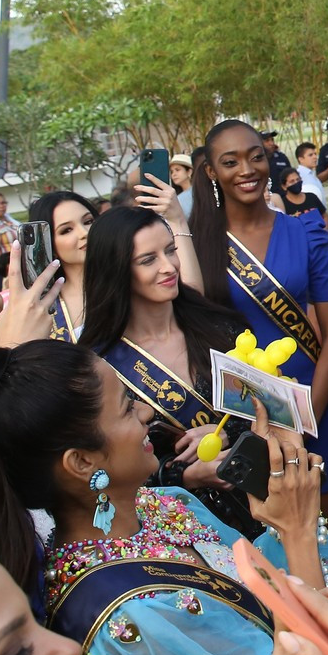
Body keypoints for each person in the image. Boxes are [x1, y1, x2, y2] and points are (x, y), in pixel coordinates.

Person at [0, 341, 328, 655]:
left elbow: (263, 586)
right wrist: (296, 531)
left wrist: (281, 513)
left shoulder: (159, 502)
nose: (145, 412)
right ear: (82, 461)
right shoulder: (129, 621)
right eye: (126, 407)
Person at [191, 119, 328, 593]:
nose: (247, 169)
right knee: (304, 538)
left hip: (315, 404)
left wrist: (309, 414)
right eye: (230, 161)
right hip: (250, 413)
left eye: (256, 156)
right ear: (211, 172)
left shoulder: (305, 230)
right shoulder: (199, 246)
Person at [80, 205, 261, 536]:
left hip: (264, 508)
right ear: (115, 270)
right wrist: (183, 476)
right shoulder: (98, 366)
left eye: (170, 250)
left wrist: (227, 435)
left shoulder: (220, 328)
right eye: (148, 260)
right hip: (181, 533)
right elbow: (101, 473)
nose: (169, 267)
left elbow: (273, 415)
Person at [27, 191, 98, 342]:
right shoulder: (45, 307)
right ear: (49, 245)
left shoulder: (134, 279)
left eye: (88, 221)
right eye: (66, 230)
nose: (84, 233)